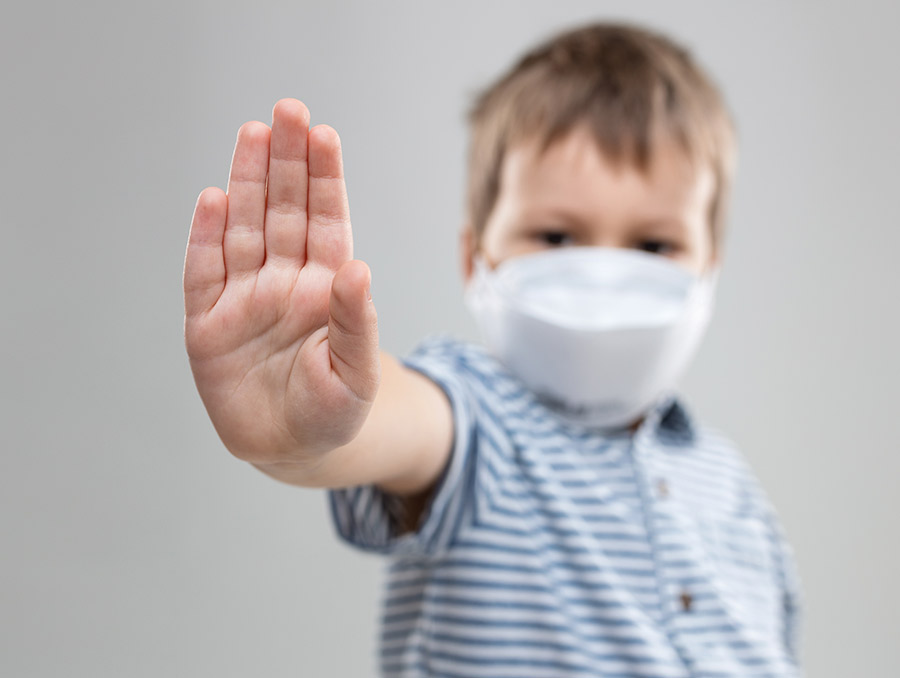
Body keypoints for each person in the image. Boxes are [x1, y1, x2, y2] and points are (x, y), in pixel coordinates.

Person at [183, 21, 803, 678]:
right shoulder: (477, 426)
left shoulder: (733, 488)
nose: (603, 274)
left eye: (654, 246)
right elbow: (399, 422)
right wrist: (309, 425)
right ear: (476, 258)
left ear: (710, 266)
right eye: (557, 236)